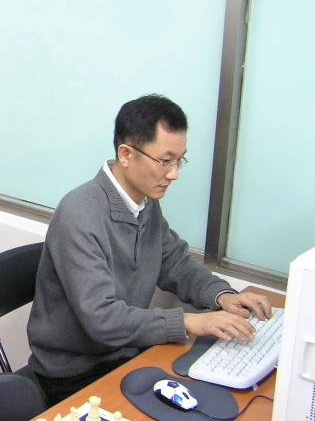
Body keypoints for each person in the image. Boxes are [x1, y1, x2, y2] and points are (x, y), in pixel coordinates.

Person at [27, 94, 272, 407]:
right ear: (126, 154)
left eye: (179, 160)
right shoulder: (79, 213)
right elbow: (102, 319)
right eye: (165, 161)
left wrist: (223, 296)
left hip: (127, 354)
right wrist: (189, 322)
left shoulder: (144, 204)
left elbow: (174, 262)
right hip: (74, 373)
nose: (174, 174)